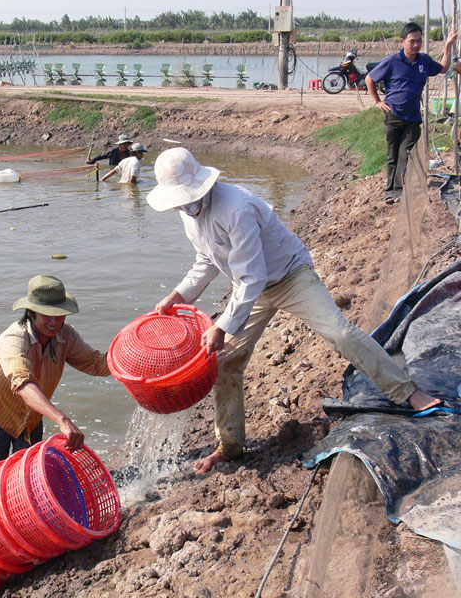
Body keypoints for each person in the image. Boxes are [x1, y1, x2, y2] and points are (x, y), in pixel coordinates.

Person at [148, 147, 442, 473]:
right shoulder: (189, 214)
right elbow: (207, 260)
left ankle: (407, 392)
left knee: (340, 333)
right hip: (253, 290)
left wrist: (223, 326)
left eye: (187, 199)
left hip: (290, 276)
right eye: (180, 202)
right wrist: (179, 294)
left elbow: (252, 276)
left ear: (201, 185)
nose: (185, 207)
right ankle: (230, 446)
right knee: (225, 362)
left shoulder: (236, 207)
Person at [0, 275, 111, 472]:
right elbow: (23, 384)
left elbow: (96, 364)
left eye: (60, 314)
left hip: (31, 419)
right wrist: (62, 420)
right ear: (31, 312)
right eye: (47, 315)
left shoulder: (66, 335)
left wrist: (129, 356)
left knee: (29, 475)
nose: (54, 322)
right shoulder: (14, 338)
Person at [366, 23, 457, 203]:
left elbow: (443, 69)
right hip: (393, 114)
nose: (416, 45)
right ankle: (390, 192)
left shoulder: (423, 60)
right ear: (402, 42)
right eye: (411, 41)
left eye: (419, 41)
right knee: (392, 154)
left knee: (405, 152)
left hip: (413, 117)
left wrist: (447, 47)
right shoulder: (392, 61)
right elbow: (370, 79)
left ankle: (399, 191)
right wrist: (377, 102)